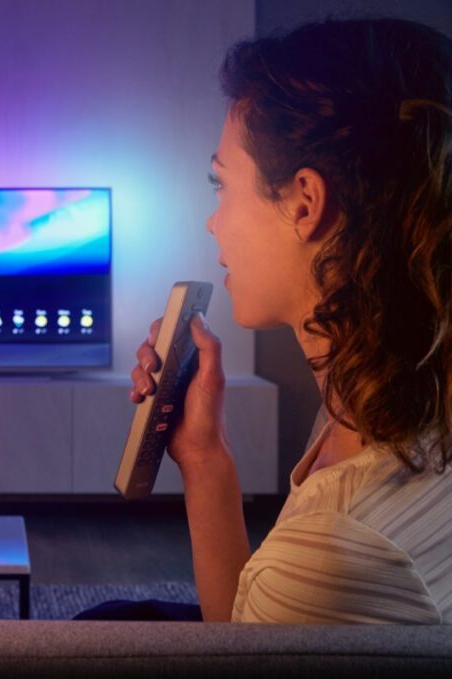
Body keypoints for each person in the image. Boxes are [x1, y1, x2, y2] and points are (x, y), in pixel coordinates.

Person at [90, 17, 452, 624]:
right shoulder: (389, 399)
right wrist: (203, 455)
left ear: (305, 203)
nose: (213, 222)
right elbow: (251, 637)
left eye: (221, 184)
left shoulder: (336, 558)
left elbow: (247, 648)